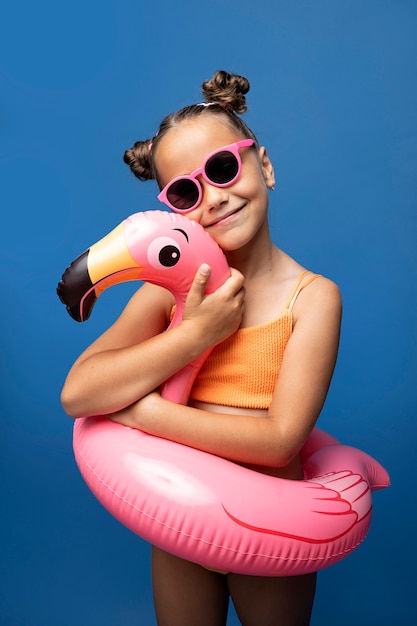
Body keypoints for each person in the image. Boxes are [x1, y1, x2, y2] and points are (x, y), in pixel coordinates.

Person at [61, 70, 342, 626]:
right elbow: (78, 393)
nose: (213, 198)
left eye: (222, 168)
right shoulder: (167, 293)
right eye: (187, 191)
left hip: (268, 520)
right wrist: (194, 334)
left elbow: (279, 442)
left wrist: (146, 414)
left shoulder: (312, 299)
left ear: (262, 165)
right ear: (173, 212)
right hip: (183, 507)